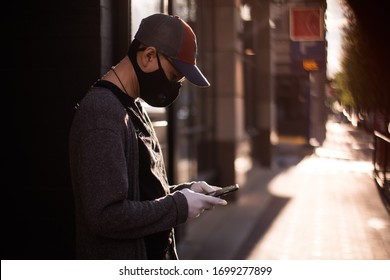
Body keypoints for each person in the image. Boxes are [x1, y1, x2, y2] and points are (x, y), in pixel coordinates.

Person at [69, 13, 227, 260]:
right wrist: (178, 206)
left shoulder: (133, 108)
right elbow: (105, 216)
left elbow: (141, 194)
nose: (174, 86)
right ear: (148, 56)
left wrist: (186, 192)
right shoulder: (101, 113)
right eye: (174, 76)